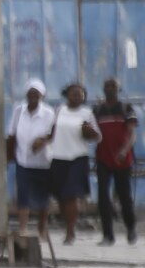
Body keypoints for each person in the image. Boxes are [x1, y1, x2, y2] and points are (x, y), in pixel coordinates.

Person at [49, 82, 100, 245]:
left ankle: (70, 232)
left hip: (77, 157)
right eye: (73, 93)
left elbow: (97, 137)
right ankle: (68, 224)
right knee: (61, 196)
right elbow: (51, 131)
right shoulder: (59, 110)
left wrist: (88, 131)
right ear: (67, 95)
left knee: (71, 195)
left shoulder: (87, 113)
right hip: (58, 156)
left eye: (80, 94)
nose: (77, 96)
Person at [7, 79, 56, 239]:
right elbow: (12, 133)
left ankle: (42, 228)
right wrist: (9, 154)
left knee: (43, 196)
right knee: (23, 194)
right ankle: (23, 228)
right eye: (30, 94)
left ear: (42, 96)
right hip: (23, 159)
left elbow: (53, 134)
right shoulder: (18, 110)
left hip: (43, 161)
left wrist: (42, 141)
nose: (33, 97)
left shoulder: (48, 113)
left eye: (37, 94)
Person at [93, 77, 138, 245]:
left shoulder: (126, 109)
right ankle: (107, 235)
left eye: (113, 86)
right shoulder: (97, 110)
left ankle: (131, 229)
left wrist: (124, 150)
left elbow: (132, 133)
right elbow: (90, 131)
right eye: (107, 85)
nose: (109, 88)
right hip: (103, 158)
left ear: (118, 89)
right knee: (103, 197)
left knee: (124, 196)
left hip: (122, 160)